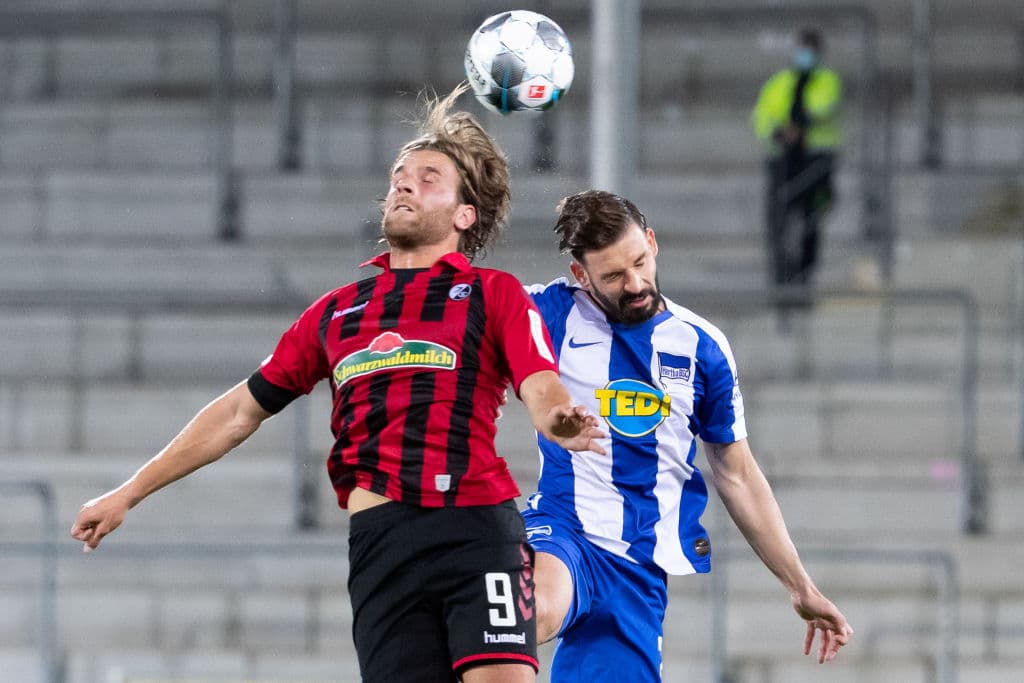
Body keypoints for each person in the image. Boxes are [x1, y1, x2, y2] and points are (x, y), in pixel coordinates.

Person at [70, 84, 606, 683]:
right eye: (400, 174)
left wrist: (562, 419)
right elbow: (238, 413)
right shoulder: (336, 313)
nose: (404, 183)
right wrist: (128, 492)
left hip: (475, 530)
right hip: (381, 544)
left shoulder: (491, 293)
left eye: (428, 177)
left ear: (464, 215)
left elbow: (540, 385)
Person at [520, 190, 853, 681]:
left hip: (639, 568)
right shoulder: (548, 314)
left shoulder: (702, 346)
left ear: (652, 243)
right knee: (527, 614)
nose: (634, 283)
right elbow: (465, 305)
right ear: (581, 276)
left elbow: (736, 475)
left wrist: (800, 586)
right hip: (565, 529)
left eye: (639, 261)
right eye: (612, 276)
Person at [751, 27, 843, 303]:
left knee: (811, 224)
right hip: (784, 162)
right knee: (779, 224)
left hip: (816, 163)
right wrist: (780, 133)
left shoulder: (827, 80)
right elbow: (762, 116)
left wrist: (802, 124)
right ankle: (782, 282)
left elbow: (825, 107)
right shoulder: (780, 83)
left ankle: (804, 279)